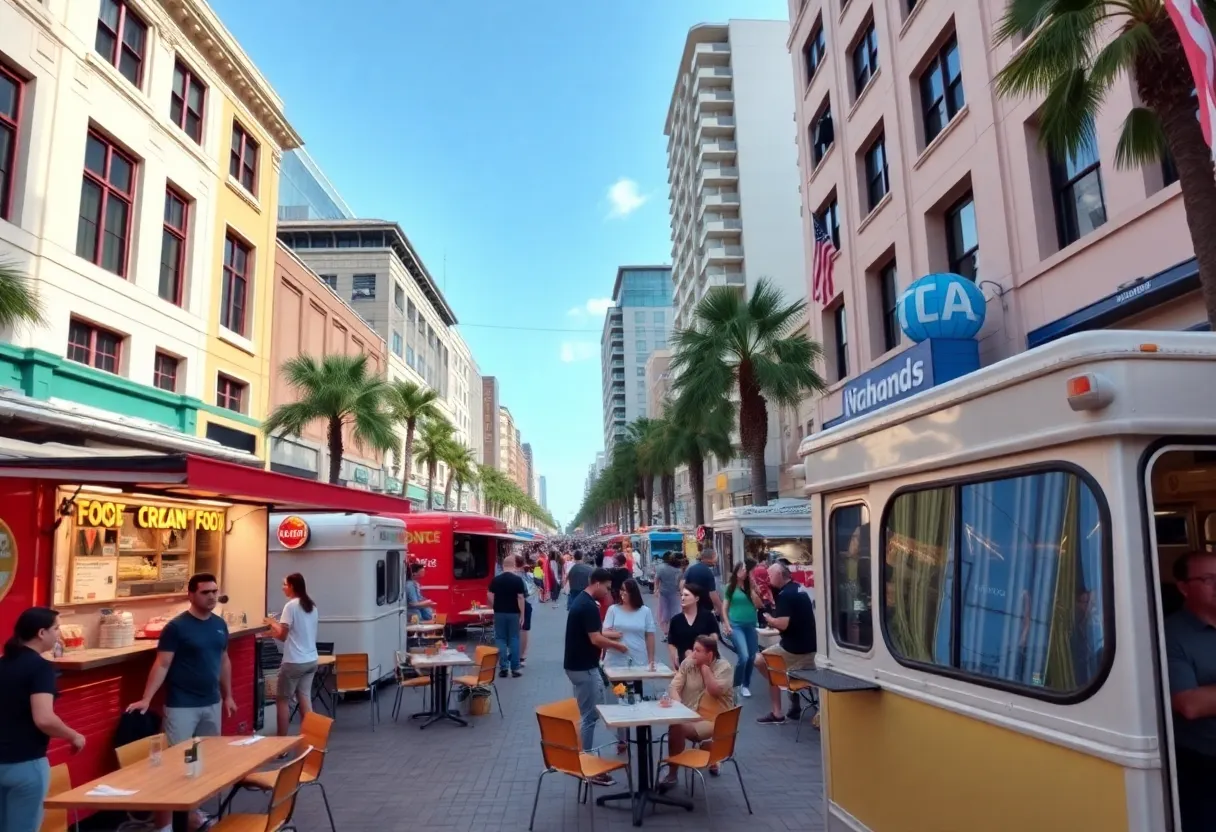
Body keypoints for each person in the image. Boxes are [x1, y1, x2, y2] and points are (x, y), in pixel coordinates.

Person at [129, 573, 235, 832]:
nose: (211, 596)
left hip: (211, 702)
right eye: (205, 592)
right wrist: (147, 698)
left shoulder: (219, 624)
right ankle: (168, 824)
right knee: (178, 764)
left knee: (205, 760)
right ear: (191, 594)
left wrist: (228, 695)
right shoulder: (177, 627)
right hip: (182, 705)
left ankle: (193, 813)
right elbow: (162, 663)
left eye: (214, 591)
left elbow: (223, 660)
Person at [0, 607, 85, 832]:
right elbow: (44, 719)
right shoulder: (40, 668)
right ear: (41, 633)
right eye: (56, 628)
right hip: (26, 764)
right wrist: (73, 735)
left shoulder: (3, 663)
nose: (58, 634)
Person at [1166, 550, 1216, 829]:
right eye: (1209, 579)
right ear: (1184, 588)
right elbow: (1189, 704)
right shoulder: (1172, 636)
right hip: (1204, 764)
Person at [564, 567, 629, 783]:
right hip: (583, 666)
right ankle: (588, 765)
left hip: (578, 665)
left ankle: (587, 759)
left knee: (589, 713)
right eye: (608, 588)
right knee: (590, 717)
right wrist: (617, 646)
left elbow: (594, 632)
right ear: (598, 584)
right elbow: (595, 639)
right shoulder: (589, 606)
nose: (609, 593)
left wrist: (609, 635)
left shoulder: (582, 602)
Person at [658, 635, 734, 790]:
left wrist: (704, 668)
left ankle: (672, 774)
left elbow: (714, 690)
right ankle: (699, 755)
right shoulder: (688, 664)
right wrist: (677, 702)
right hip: (691, 716)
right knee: (677, 723)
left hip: (715, 721)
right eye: (693, 649)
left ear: (710, 654)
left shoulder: (724, 668)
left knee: (677, 725)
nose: (692, 654)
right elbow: (673, 687)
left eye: (697, 651)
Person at [755, 562, 817, 725]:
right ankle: (787, 688)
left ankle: (777, 710)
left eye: (770, 575)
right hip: (812, 647)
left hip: (794, 649)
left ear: (780, 576)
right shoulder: (799, 589)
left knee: (760, 661)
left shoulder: (785, 596)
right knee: (778, 666)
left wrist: (768, 618)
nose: (768, 578)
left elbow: (782, 624)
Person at [263, 572, 319, 738]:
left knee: (282, 700)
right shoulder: (312, 606)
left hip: (294, 661)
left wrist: (272, 623)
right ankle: (310, 740)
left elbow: (283, 636)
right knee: (305, 699)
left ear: (293, 586)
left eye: (285, 585)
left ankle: (282, 744)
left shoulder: (290, 606)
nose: (282, 588)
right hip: (311, 659)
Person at [725, 559, 762, 697]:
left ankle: (745, 684)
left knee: (752, 656)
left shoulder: (750, 587)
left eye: (745, 570)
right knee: (744, 656)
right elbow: (725, 608)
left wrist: (752, 589)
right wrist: (727, 624)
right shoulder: (730, 587)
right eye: (741, 569)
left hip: (751, 624)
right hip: (736, 625)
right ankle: (736, 684)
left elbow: (759, 605)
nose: (744, 572)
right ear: (736, 571)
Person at [488, 554, 527, 678]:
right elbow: (520, 597)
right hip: (513, 613)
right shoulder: (517, 580)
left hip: (499, 612)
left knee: (500, 639)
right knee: (514, 639)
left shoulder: (496, 580)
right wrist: (523, 614)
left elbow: (489, 594)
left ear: (503, 566)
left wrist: (495, 605)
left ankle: (503, 667)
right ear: (514, 566)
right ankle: (515, 668)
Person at [668, 584, 720, 669]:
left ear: (696, 598)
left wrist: (700, 649)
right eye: (681, 595)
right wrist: (674, 658)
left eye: (686, 595)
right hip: (684, 664)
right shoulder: (676, 620)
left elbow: (714, 636)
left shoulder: (708, 616)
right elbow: (671, 642)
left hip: (705, 662)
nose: (683, 598)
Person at [683, 548, 729, 637]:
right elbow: (713, 595)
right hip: (704, 610)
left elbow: (682, 585)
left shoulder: (691, 569)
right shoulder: (708, 572)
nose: (716, 559)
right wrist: (720, 608)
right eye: (715, 557)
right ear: (711, 557)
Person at [654, 552, 682, 639]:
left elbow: (657, 579)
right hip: (674, 593)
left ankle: (666, 632)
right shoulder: (678, 569)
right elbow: (679, 582)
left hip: (664, 593)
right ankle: (674, 631)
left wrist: (656, 589)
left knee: (664, 611)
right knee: (675, 611)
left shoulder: (660, 568)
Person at [519, 554, 537, 666]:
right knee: (524, 630)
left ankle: (521, 655)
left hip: (525, 604)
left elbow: (523, 594)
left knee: (522, 629)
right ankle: (522, 655)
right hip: (529, 603)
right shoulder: (528, 576)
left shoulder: (520, 577)